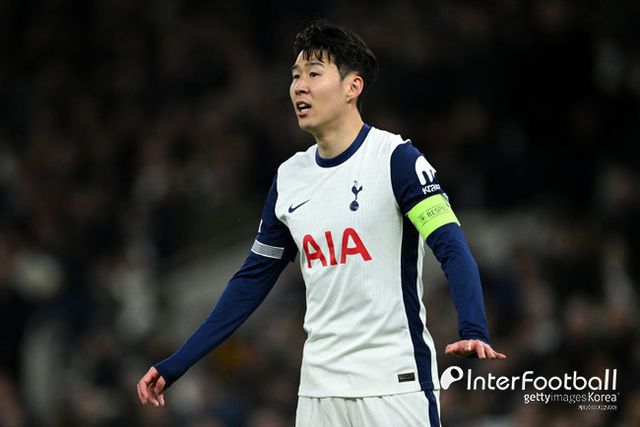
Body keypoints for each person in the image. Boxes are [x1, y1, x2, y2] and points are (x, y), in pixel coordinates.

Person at [137, 20, 506, 426]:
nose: (299, 87)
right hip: (318, 395)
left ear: (352, 87)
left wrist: (473, 326)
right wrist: (177, 363)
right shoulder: (289, 178)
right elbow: (250, 281)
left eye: (313, 74)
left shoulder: (397, 160)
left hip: (393, 386)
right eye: (295, 76)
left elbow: (450, 246)